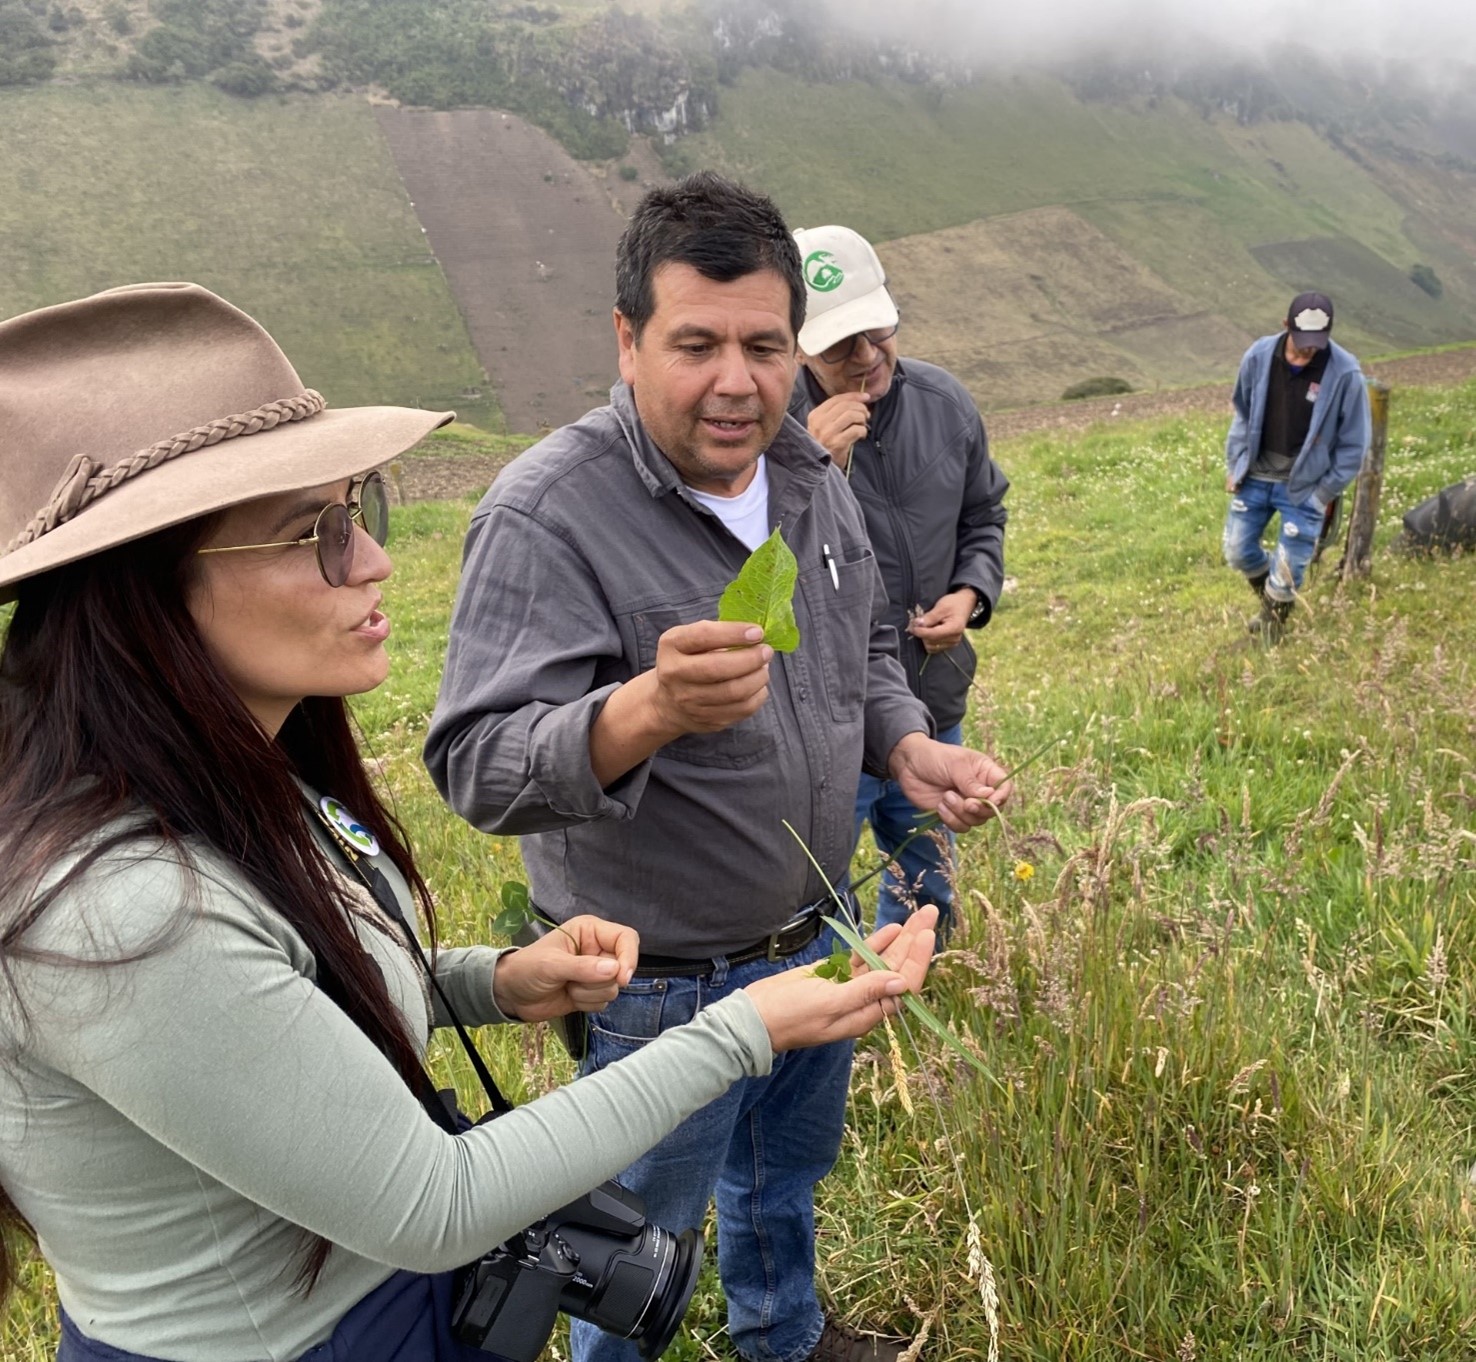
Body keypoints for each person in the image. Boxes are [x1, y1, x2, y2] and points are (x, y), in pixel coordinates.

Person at [0, 282, 941, 1362]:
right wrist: (744, 1027)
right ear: (141, 595)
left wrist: (489, 984)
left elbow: (288, 993)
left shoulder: (227, 787)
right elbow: (435, 1201)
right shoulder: (118, 917)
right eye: (314, 532)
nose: (373, 562)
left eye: (362, 513)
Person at [425, 173, 1013, 1362]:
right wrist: (639, 712)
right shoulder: (546, 515)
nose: (736, 381)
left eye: (764, 344)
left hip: (819, 938)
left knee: (782, 1184)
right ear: (629, 340)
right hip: (656, 990)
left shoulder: (805, 482)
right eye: (695, 343)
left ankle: (782, 1341)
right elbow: (477, 766)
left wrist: (907, 744)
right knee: (634, 1254)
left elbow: (864, 648)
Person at [787, 224, 1009, 942]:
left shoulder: (945, 405)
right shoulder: (767, 434)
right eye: (837, 344)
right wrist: (809, 468)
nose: (864, 357)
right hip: (828, 729)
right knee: (810, 899)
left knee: (926, 877)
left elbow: (984, 513)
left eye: (874, 332)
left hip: (932, 697)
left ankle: (917, 992)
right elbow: (747, 576)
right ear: (795, 344)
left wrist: (971, 594)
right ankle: (832, 1012)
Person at [1223, 291, 1370, 642]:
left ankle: (1273, 629)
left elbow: (1354, 445)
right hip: (1256, 474)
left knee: (1288, 570)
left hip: (1305, 486)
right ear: (1286, 325)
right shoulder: (1259, 356)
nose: (1309, 350)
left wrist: (1323, 494)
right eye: (1303, 341)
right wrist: (1237, 462)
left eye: (1317, 342)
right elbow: (1242, 412)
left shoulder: (1345, 373)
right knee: (1237, 551)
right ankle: (1272, 603)